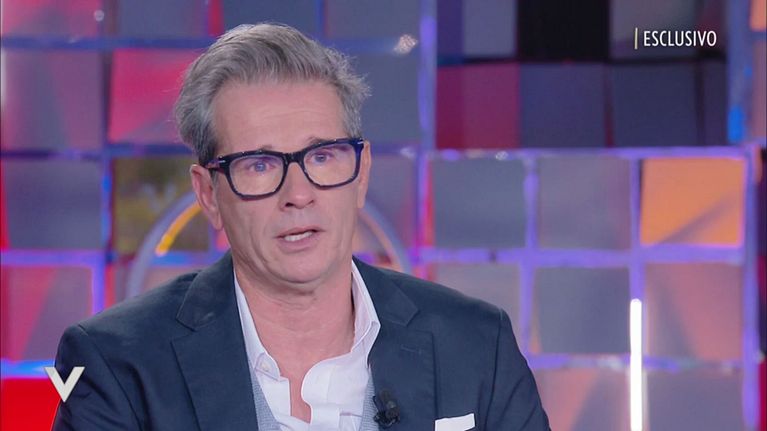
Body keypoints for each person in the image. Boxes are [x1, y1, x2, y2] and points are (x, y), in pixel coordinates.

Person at [52, 23, 550, 431]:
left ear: (361, 173)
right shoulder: (116, 365)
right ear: (209, 195)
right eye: (260, 164)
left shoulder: (477, 345)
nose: (298, 193)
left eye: (322, 156)